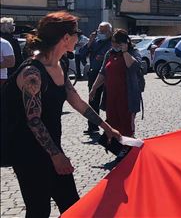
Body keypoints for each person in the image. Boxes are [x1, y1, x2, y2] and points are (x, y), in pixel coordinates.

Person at [3, 12, 121, 217]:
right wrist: (57, 156)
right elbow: (34, 121)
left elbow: (76, 100)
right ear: (66, 38)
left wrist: (106, 128)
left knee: (71, 205)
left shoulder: (60, 64)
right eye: (77, 32)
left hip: (51, 149)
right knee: (39, 210)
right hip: (27, 152)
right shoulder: (32, 73)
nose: (80, 38)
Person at [88, 30, 143, 155]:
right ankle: (117, 147)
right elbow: (103, 72)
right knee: (112, 121)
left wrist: (125, 51)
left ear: (125, 42)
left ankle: (128, 148)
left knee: (126, 122)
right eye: (113, 42)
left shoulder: (133, 52)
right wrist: (94, 88)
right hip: (111, 95)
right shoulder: (110, 53)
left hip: (127, 95)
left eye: (117, 43)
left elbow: (134, 67)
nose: (114, 45)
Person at [75, 22, 112, 133]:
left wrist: (104, 57)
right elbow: (81, 53)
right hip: (94, 73)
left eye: (104, 31)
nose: (101, 33)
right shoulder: (95, 42)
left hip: (108, 74)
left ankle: (110, 126)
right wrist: (90, 41)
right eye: (100, 31)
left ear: (110, 31)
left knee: (109, 101)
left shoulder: (112, 43)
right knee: (93, 100)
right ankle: (92, 126)